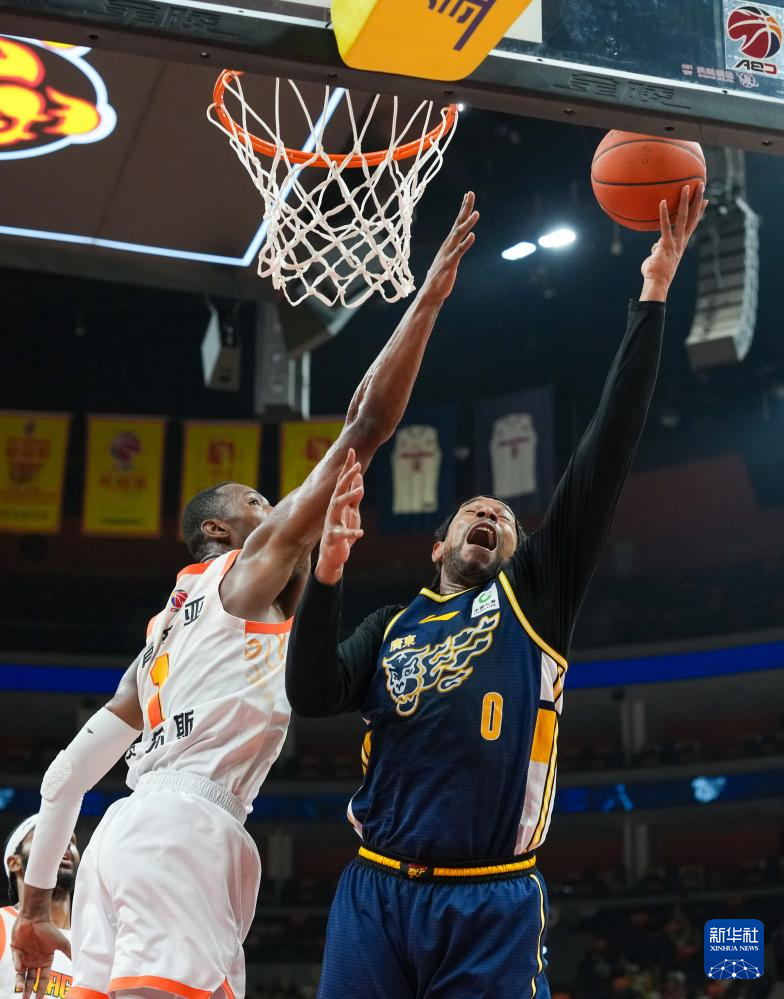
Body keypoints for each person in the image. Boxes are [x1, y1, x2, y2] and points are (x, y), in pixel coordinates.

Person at [11, 194, 480, 999]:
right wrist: (428, 301)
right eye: (259, 503)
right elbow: (363, 426)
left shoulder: (156, 642)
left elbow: (64, 778)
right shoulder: (243, 573)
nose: (277, 511)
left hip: (124, 838)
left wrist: (32, 904)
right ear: (220, 531)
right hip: (184, 830)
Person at [285, 186, 707, 998]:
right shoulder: (393, 624)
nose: (488, 514)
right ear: (437, 546)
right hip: (375, 889)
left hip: (490, 897)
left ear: (517, 550)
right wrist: (326, 575)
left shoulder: (533, 598)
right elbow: (310, 694)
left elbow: (607, 446)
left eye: (504, 518)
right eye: (472, 511)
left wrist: (653, 291)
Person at [1, 817, 78, 998]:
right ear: (15, 863)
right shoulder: (3, 923)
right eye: (47, 834)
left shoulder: (97, 943)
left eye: (70, 839)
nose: (64, 841)